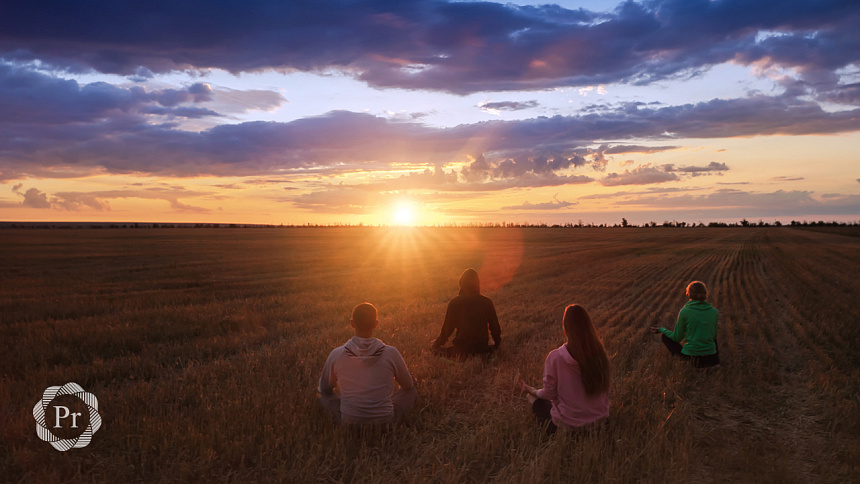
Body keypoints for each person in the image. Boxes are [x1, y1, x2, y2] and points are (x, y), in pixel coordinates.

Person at [318, 302, 417, 425]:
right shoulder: (391, 353)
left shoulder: (336, 354)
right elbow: (408, 385)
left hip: (349, 421)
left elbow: (324, 388)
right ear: (376, 324)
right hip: (385, 421)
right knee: (412, 391)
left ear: (352, 324)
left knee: (324, 396)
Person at [518, 304, 610, 434]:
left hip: (568, 426)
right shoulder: (600, 354)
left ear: (565, 328)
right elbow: (606, 390)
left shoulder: (555, 357)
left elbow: (549, 394)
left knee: (531, 397)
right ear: (589, 325)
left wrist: (532, 390)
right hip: (601, 422)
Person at [431, 268, 501, 358]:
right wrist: (497, 344)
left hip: (461, 349)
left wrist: (436, 344)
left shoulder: (454, 303)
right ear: (477, 283)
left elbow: (446, 331)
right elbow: (495, 328)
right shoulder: (486, 302)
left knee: (436, 351)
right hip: (482, 349)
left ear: (461, 283)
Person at [649, 281, 719, 368]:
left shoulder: (685, 311)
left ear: (689, 295)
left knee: (665, 337)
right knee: (714, 340)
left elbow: (677, 338)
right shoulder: (714, 312)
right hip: (711, 358)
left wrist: (661, 329)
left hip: (692, 359)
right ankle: (716, 363)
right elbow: (713, 336)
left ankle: (688, 363)